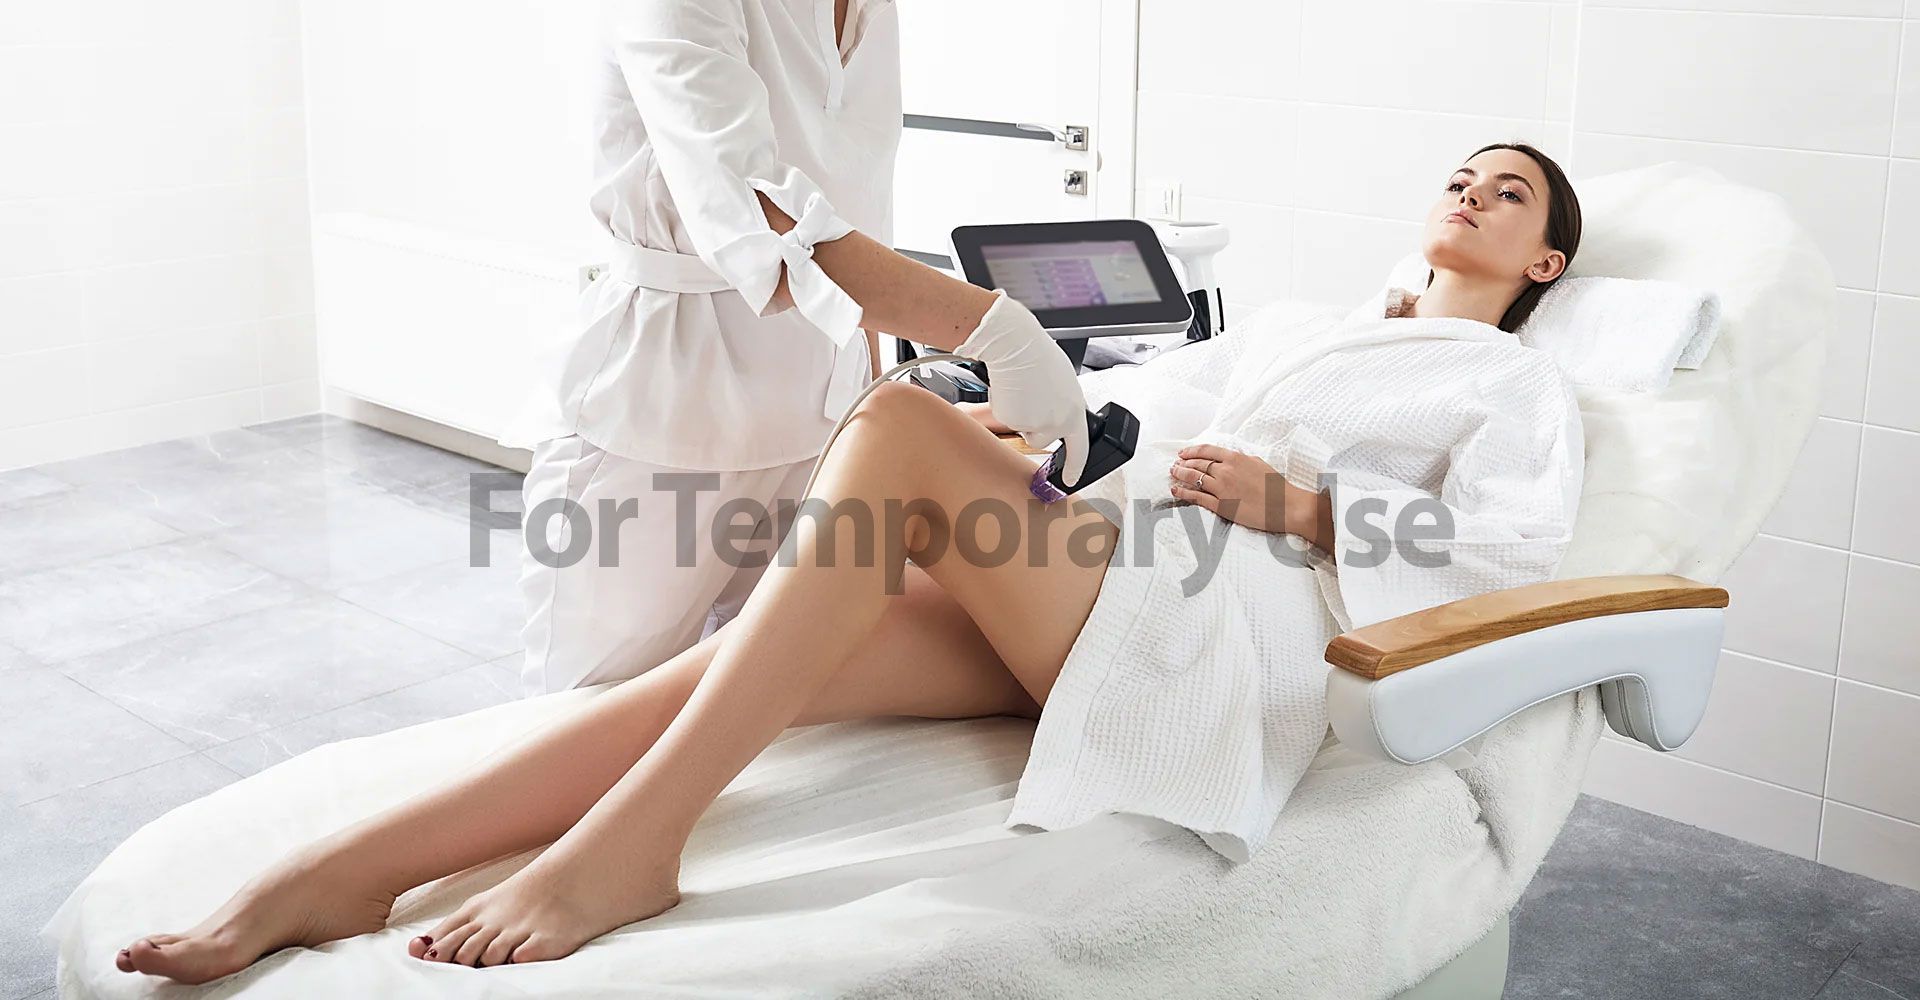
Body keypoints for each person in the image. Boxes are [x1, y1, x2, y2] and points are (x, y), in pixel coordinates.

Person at [113, 142, 1584, 981]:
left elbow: (1519, 557)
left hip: (1224, 638)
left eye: (1507, 193)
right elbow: (1124, 450)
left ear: (1544, 268)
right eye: (1462, 174)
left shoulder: (1513, 389)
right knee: (734, 672)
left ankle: (630, 855)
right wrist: (1039, 455)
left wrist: (1308, 509)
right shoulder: (1295, 331)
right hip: (1115, 576)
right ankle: (320, 882)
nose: (1471, 192)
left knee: (889, 420)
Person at [504, 0, 1091, 694]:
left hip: (819, 421)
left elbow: (854, 213)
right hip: (665, 415)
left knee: (775, 719)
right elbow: (764, 228)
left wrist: (876, 408)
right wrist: (998, 330)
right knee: (590, 726)